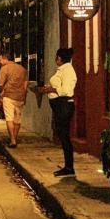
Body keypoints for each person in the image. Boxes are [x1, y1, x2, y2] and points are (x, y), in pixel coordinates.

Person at [39, 46, 77, 176]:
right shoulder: (62, 70)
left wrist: (51, 89)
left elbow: (66, 90)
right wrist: (49, 88)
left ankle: (69, 167)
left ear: (59, 58)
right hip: (59, 106)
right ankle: (68, 166)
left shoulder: (68, 71)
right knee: (62, 135)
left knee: (64, 136)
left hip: (64, 106)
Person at [0, 50, 29, 148]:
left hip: (8, 96)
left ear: (5, 59)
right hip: (20, 97)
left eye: (0, 60)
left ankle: (12, 140)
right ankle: (15, 137)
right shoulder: (22, 69)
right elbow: (25, 85)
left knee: (9, 118)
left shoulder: (4, 69)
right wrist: (24, 96)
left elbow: (0, 85)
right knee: (17, 119)